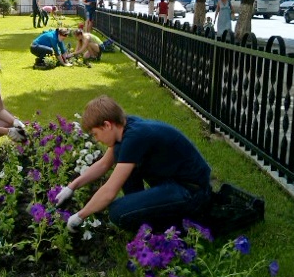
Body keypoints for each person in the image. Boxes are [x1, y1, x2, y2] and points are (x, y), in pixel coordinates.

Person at [55, 96, 211, 233]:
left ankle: (171, 226)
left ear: (107, 125)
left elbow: (109, 192)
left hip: (191, 191)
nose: (96, 139)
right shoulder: (125, 128)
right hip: (176, 183)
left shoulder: (134, 138)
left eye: (96, 134)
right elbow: (103, 165)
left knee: (117, 212)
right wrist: (71, 187)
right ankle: (143, 213)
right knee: (123, 163)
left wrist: (80, 216)